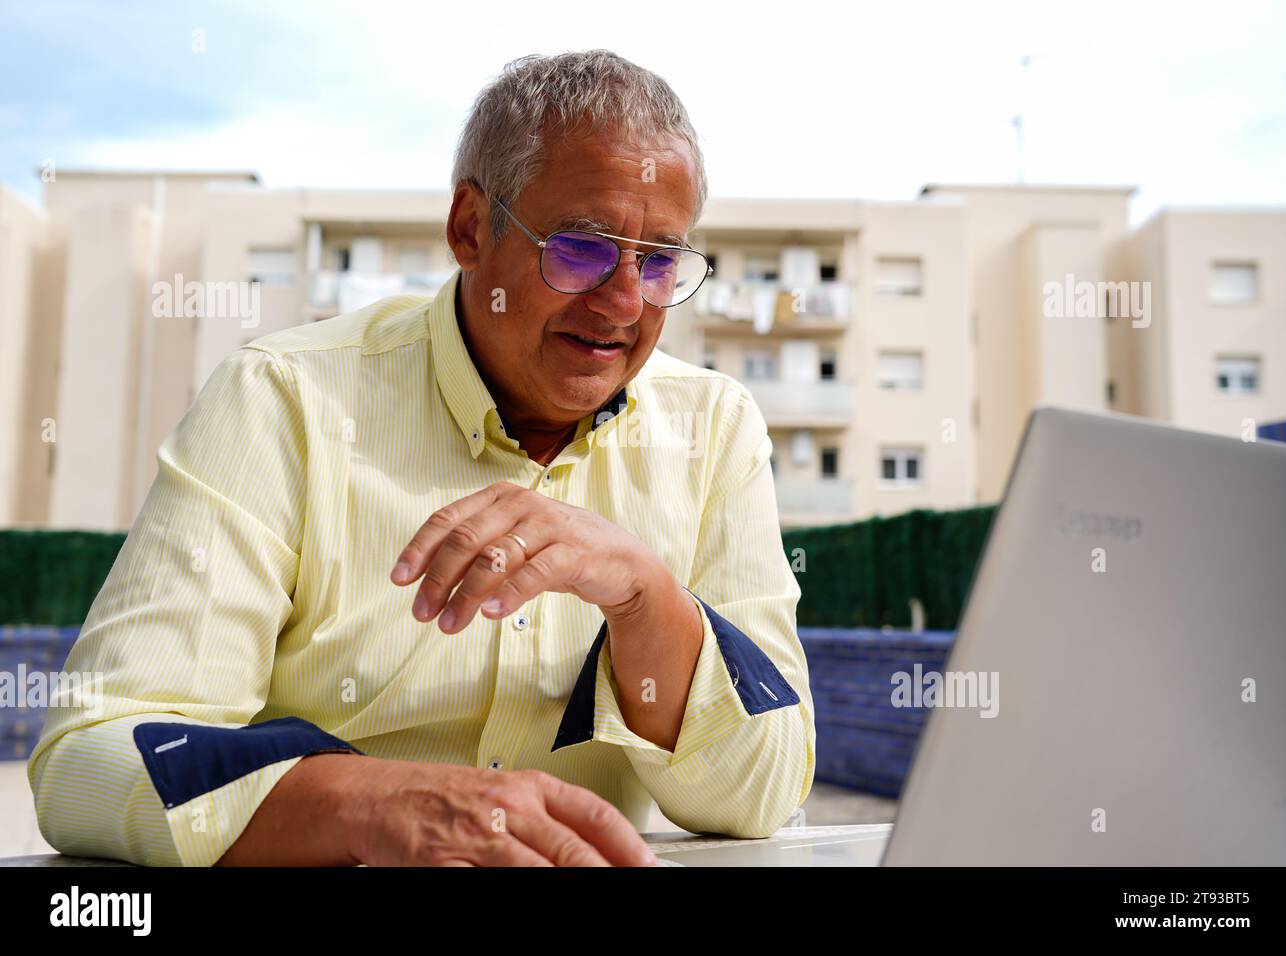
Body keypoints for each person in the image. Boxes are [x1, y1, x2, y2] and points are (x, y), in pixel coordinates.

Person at [28, 49, 814, 867]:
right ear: (470, 227)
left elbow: (766, 793)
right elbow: (93, 758)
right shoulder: (282, 401)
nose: (623, 302)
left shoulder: (715, 428)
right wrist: (369, 801)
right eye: (580, 248)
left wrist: (648, 599)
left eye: (658, 263)